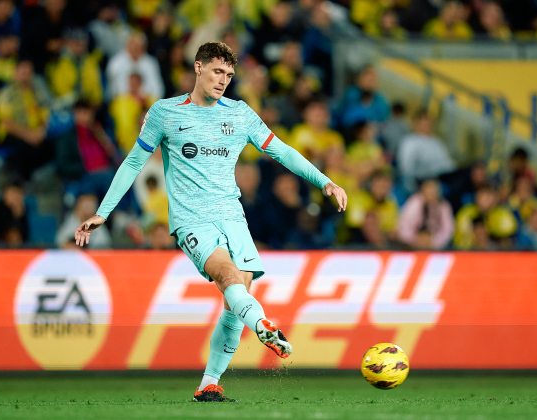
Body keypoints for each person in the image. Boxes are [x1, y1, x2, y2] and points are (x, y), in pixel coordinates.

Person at [73, 41, 347, 402]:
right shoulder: (165, 113)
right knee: (228, 277)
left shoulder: (240, 113)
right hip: (191, 220)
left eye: (230, 75)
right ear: (198, 68)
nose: (223, 80)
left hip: (233, 217)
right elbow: (134, 163)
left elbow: (281, 150)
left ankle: (209, 384)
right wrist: (103, 212)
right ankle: (264, 325)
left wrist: (324, 181)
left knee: (236, 303)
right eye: (218, 71)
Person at [396, 110, 456, 194]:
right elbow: (406, 166)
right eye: (424, 123)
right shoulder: (409, 141)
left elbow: (448, 163)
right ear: (416, 123)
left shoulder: (437, 142)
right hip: (421, 178)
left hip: (441, 177)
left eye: (429, 123)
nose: (427, 125)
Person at [397, 179, 454, 250]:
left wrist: (434, 241)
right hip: (412, 246)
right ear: (422, 191)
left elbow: (448, 230)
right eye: (429, 191)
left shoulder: (443, 206)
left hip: (436, 248)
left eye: (433, 192)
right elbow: (403, 225)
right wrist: (415, 239)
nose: (431, 194)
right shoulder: (414, 202)